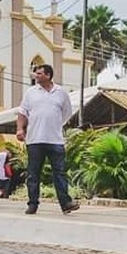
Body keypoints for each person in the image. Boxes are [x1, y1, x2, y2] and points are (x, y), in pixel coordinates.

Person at [17, 63, 79, 215]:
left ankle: (66, 203)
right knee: (33, 173)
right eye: (36, 74)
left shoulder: (61, 93)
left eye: (39, 74)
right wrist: (20, 129)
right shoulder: (30, 92)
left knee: (59, 172)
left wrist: (54, 124)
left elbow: (66, 114)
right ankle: (32, 204)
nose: (36, 76)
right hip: (34, 140)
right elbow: (22, 112)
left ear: (48, 75)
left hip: (55, 140)